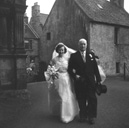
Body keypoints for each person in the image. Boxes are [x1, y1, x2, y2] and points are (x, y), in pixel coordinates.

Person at [68, 38, 101, 124]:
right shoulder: (74, 56)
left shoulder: (91, 55)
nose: (82, 46)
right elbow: (70, 69)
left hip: (90, 81)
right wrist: (75, 75)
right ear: (78, 45)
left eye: (84, 44)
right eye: (81, 44)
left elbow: (95, 68)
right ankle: (82, 115)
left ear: (86, 45)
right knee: (81, 99)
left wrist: (98, 79)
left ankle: (91, 116)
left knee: (92, 99)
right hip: (80, 82)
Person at [44, 43, 79, 123]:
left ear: (64, 51)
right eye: (60, 50)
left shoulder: (67, 59)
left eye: (62, 50)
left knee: (66, 95)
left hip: (66, 78)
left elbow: (71, 68)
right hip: (58, 78)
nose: (61, 51)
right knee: (59, 95)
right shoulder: (54, 59)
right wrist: (52, 72)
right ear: (57, 50)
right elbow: (50, 68)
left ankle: (68, 113)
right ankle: (60, 112)